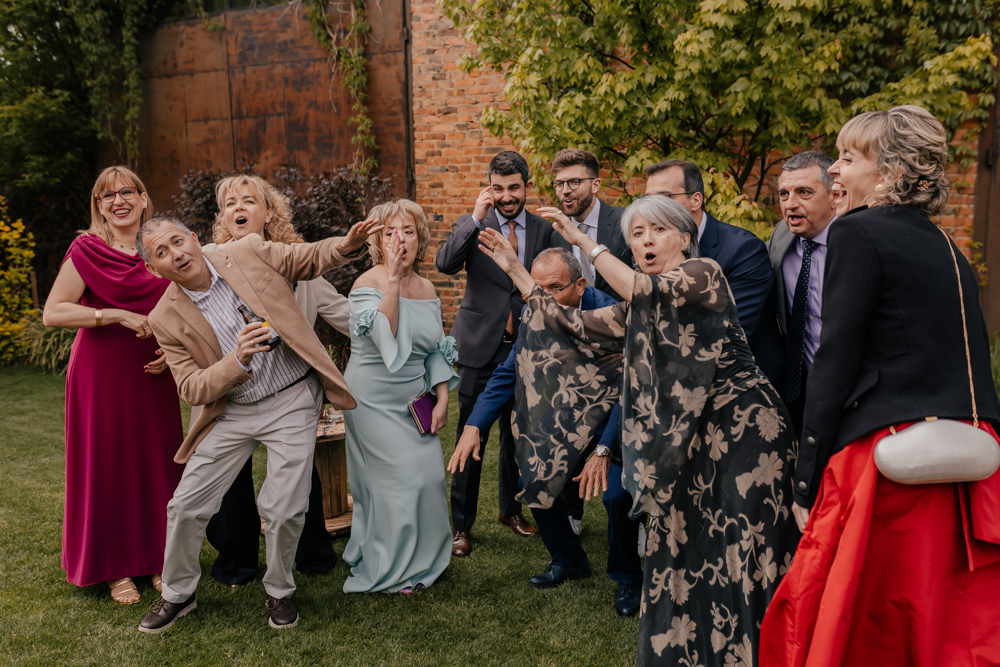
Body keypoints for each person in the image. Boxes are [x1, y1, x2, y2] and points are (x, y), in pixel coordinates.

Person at [469, 195, 799, 665]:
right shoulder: (639, 308)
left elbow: (643, 290)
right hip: (691, 443)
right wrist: (516, 271)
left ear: (685, 237)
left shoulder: (702, 273)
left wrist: (584, 241)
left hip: (746, 434)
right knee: (689, 549)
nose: (646, 241)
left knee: (746, 553)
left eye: (657, 230)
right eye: (637, 234)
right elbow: (572, 324)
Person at [760, 106, 1000, 666]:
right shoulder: (947, 245)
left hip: (885, 461)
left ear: (889, 171)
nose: (834, 170)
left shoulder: (856, 231)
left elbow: (835, 359)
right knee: (937, 614)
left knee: (858, 617)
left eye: (847, 158)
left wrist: (806, 479)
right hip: (965, 462)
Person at [136, 215, 380, 633]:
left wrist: (345, 244)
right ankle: (178, 594)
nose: (176, 253)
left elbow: (304, 258)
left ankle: (279, 590)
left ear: (193, 238)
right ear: (152, 267)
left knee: (284, 508)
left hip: (291, 398)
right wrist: (237, 360)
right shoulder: (164, 317)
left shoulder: (244, 251)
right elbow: (192, 387)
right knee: (185, 506)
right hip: (231, 412)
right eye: (162, 252)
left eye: (177, 241)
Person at [447, 248, 638, 602]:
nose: (543, 298)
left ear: (580, 285)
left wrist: (604, 449)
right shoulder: (534, 315)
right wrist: (474, 425)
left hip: (616, 418)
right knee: (532, 478)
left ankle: (628, 577)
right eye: (537, 288)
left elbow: (630, 388)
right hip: (566, 418)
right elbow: (508, 372)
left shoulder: (612, 315)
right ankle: (569, 559)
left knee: (616, 495)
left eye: (553, 288)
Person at [197, 174, 350, 587]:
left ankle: (312, 553)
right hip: (233, 392)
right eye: (230, 204)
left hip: (290, 389)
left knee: (298, 474)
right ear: (223, 216)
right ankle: (237, 562)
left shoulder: (298, 264)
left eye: (248, 201)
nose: (238, 208)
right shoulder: (210, 266)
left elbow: (346, 315)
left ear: (268, 213)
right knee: (230, 479)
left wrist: (400, 331)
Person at [42, 166, 183, 605]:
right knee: (107, 464)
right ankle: (114, 567)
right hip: (100, 373)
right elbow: (54, 312)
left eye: (126, 192)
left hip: (153, 372)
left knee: (157, 463)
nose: (118, 201)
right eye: (108, 196)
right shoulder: (86, 249)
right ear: (99, 206)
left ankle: (159, 559)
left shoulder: (160, 246)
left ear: (143, 199)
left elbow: (183, 306)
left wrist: (173, 349)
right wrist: (115, 315)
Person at [436, 151, 555, 557]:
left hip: (527, 347)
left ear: (527, 186)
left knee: (516, 435)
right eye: (498, 188)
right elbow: (445, 264)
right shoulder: (473, 224)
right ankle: (461, 525)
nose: (506, 196)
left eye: (514, 188)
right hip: (480, 347)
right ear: (489, 188)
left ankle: (510, 510)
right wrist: (474, 216)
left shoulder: (543, 229)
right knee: (471, 435)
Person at [342, 199, 459, 593]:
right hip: (371, 396)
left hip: (414, 398)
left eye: (408, 231)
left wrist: (442, 398)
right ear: (378, 240)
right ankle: (391, 567)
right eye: (391, 232)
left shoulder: (427, 287)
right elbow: (385, 338)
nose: (400, 240)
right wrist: (391, 279)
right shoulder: (366, 284)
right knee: (399, 481)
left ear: (419, 238)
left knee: (429, 477)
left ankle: (424, 559)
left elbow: (436, 350)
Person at [645, 159, 784, 387]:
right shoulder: (649, 250)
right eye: (648, 200)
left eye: (664, 197)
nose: (652, 209)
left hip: (744, 385)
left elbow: (724, 331)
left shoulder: (743, 250)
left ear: (696, 200)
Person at [766, 151, 838, 434]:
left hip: (851, 389)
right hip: (797, 389)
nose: (790, 204)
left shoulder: (856, 241)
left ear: (834, 195)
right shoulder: (781, 237)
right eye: (784, 194)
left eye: (804, 192)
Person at [543, 148, 633, 300]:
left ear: (595, 185)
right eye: (559, 184)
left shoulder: (625, 220)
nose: (565, 190)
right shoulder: (556, 235)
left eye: (574, 182)